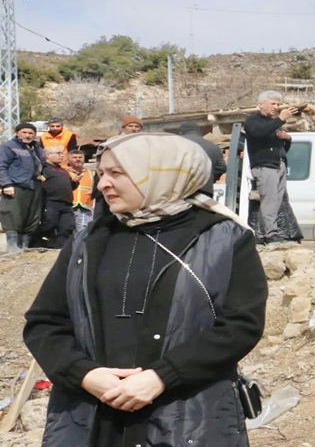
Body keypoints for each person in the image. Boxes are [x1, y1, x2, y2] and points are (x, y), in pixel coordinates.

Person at [24, 133, 267, 447]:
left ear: (161, 175)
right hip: (92, 419)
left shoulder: (224, 238)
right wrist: (85, 375)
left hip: (187, 418)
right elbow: (45, 322)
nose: (102, 185)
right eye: (101, 174)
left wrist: (161, 377)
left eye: (117, 173)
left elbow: (240, 326)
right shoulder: (89, 240)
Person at [243, 90, 299, 243]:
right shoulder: (253, 121)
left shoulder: (273, 124)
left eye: (278, 104)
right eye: (273, 104)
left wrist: (287, 139)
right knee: (270, 201)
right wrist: (280, 119)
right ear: (261, 104)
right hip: (265, 166)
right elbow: (258, 133)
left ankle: (266, 233)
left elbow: (282, 148)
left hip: (278, 165)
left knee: (276, 201)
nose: (276, 107)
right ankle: (270, 234)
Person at [0, 122, 46, 251]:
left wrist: (44, 175)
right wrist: (6, 184)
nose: (27, 135)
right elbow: (1, 166)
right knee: (13, 214)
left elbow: (42, 164)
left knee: (32, 216)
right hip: (16, 185)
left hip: (35, 185)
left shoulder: (37, 147)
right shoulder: (8, 147)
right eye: (24, 132)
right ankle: (12, 246)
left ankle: (25, 245)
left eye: (31, 133)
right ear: (17, 133)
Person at [39, 147, 79, 248]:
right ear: (48, 155)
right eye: (58, 153)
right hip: (51, 202)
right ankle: (43, 244)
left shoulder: (63, 170)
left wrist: (75, 182)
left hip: (66, 204)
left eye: (62, 153)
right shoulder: (43, 169)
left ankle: (61, 248)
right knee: (49, 225)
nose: (62, 156)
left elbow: (71, 187)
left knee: (67, 227)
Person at [178, 121, 227, 196]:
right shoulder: (213, 147)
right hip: (204, 191)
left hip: (180, 191)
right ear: (198, 132)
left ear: (181, 133)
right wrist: (209, 180)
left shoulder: (175, 145)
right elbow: (221, 168)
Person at [66, 149, 97, 233]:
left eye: (80, 157)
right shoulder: (64, 173)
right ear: (68, 160)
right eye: (74, 157)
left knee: (83, 231)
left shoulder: (92, 173)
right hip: (69, 205)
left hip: (85, 206)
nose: (78, 159)